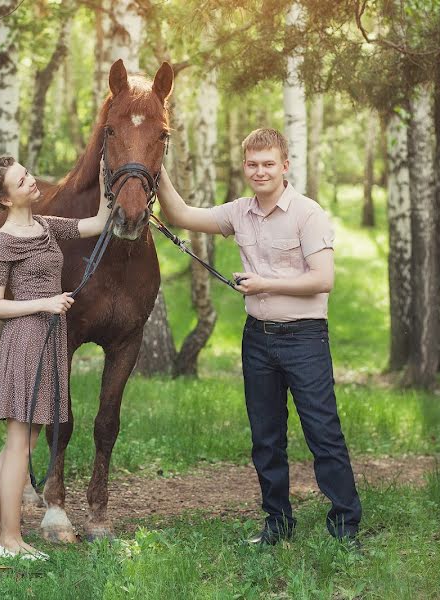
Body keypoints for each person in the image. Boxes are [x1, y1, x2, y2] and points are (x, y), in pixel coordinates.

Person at [155, 128, 361, 545]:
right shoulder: (238, 212)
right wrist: (152, 162)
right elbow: (178, 214)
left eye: (269, 164)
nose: (260, 171)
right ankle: (277, 525)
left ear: (285, 166)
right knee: (266, 439)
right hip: (258, 340)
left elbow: (323, 280)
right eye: (253, 164)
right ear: (244, 166)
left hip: (304, 339)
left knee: (323, 434)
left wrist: (265, 283)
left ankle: (345, 529)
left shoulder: (308, 213)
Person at [0, 156, 111, 560]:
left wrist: (106, 173)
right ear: (5, 197)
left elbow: (98, 223)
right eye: (21, 180)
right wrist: (45, 302)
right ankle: (11, 541)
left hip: (48, 339)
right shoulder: (3, 240)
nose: (31, 180)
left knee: (22, 441)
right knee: (21, 443)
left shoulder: (45, 225)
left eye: (27, 173)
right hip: (26, 339)